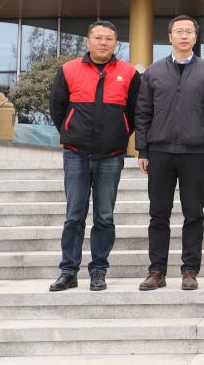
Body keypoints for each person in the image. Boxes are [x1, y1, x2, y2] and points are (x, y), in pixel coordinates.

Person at [48, 20, 140, 292]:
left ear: (116, 43)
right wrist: (72, 132)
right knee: (74, 216)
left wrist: (119, 134)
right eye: (98, 37)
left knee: (105, 217)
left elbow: (134, 113)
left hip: (111, 156)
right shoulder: (68, 70)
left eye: (109, 38)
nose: (103, 42)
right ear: (88, 41)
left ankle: (99, 271)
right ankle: (68, 271)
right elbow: (57, 108)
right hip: (76, 154)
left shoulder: (129, 73)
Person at [135, 15, 204, 291]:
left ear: (195, 37)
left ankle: (190, 270)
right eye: (179, 31)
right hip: (159, 151)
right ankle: (157, 270)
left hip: (195, 152)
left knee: (193, 213)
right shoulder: (153, 72)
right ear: (170, 36)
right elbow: (143, 112)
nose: (184, 36)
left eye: (189, 31)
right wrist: (143, 149)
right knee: (158, 213)